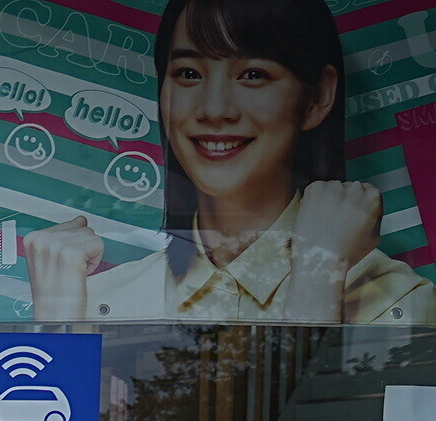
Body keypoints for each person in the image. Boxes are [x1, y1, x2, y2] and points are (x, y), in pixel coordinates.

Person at [24, 0, 431, 326]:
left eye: (253, 74)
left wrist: (317, 272)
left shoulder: (396, 307)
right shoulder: (97, 306)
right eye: (188, 73)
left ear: (318, 96)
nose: (214, 109)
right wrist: (56, 329)